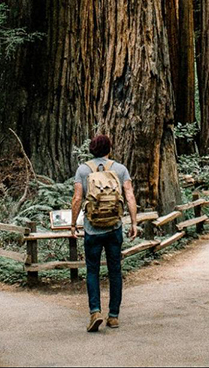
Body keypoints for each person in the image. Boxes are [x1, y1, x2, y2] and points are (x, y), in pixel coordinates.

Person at [70, 133, 139, 332]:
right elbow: (129, 195)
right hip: (114, 228)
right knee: (115, 271)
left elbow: (77, 198)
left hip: (92, 229)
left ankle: (95, 311)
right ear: (109, 149)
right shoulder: (120, 169)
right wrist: (133, 222)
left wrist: (73, 225)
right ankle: (114, 316)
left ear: (91, 149)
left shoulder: (83, 170)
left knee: (92, 271)